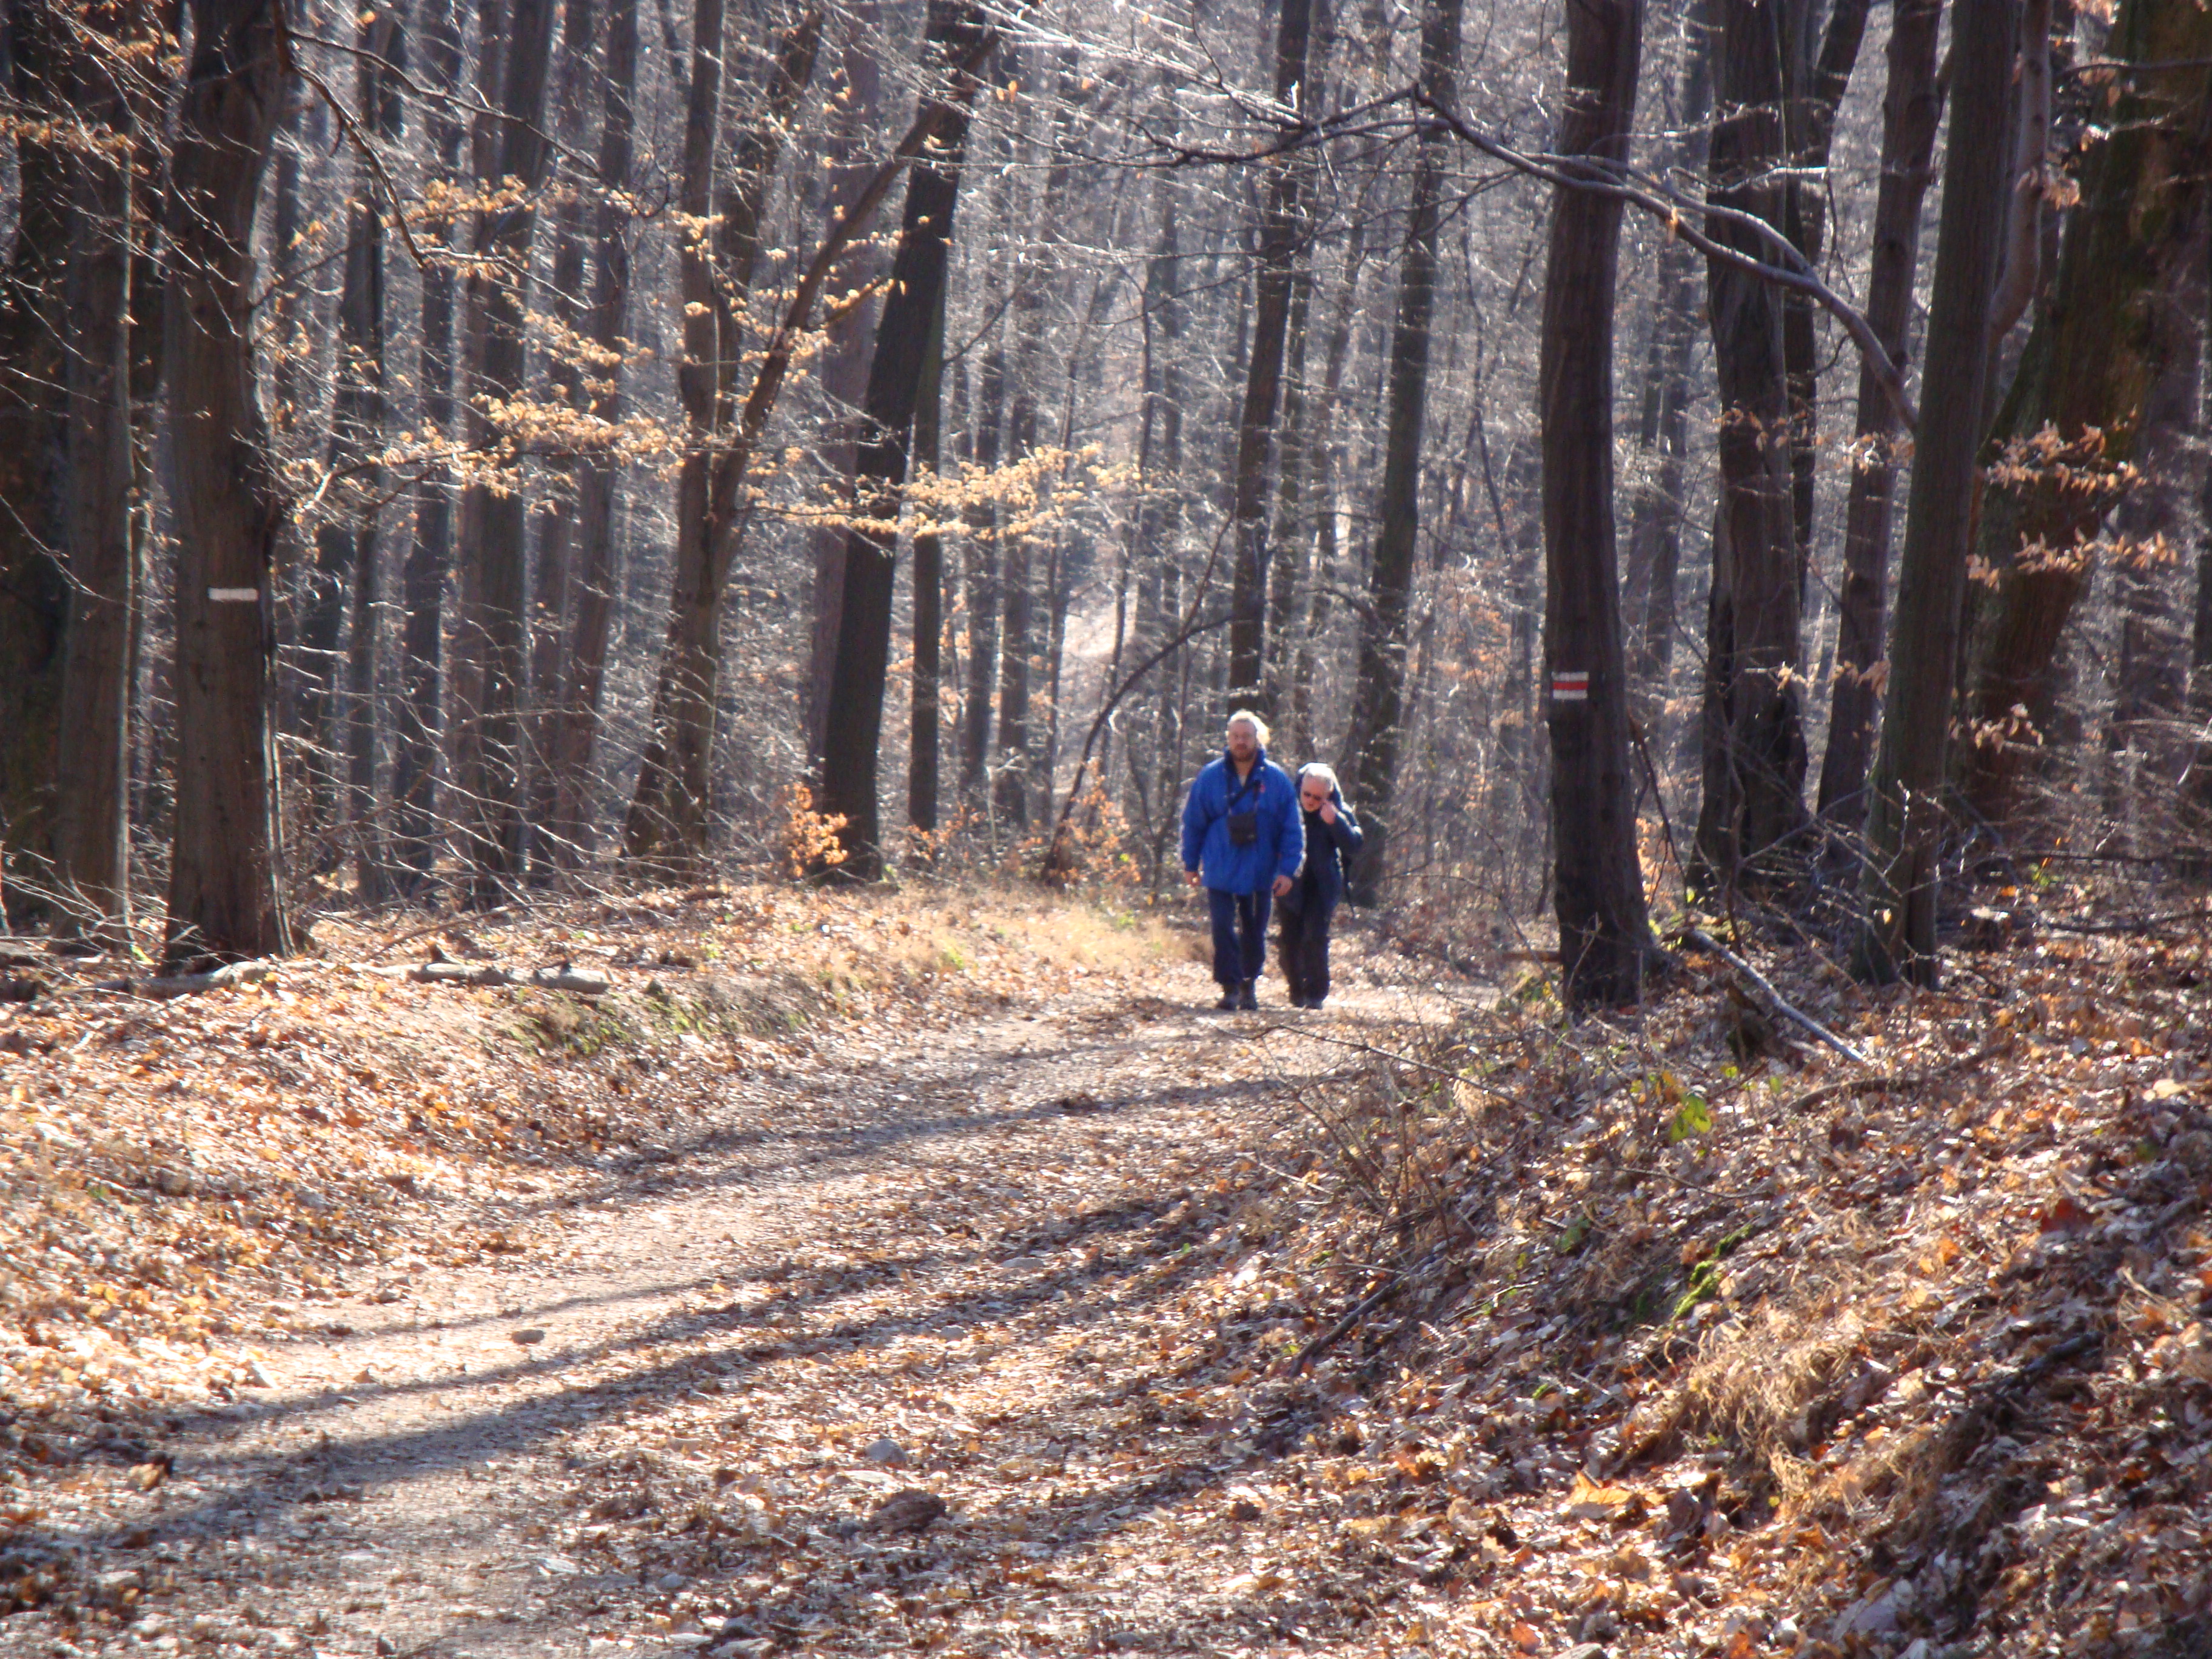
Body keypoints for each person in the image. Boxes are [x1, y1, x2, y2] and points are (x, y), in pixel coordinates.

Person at [1181, 710, 1304, 1011]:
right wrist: (1190, 863)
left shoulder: (1276, 779)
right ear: (1228, 739)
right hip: (1220, 867)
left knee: (1255, 931)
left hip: (1260, 870)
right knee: (1222, 928)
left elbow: (1291, 828)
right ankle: (1229, 989)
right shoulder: (1210, 777)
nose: (1240, 742)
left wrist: (1287, 870)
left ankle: (1249, 985)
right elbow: (1193, 822)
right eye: (1235, 736)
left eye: (1246, 736)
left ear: (1258, 739)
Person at [1276, 762, 1363, 1010]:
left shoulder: (1338, 811)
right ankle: (1296, 989)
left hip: (1323, 884)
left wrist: (1335, 822)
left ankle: (1316, 993)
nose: (1311, 801)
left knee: (1315, 936)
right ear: (1300, 788)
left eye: (1318, 797)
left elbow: (1355, 845)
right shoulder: (1286, 806)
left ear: (1328, 794)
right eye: (1307, 795)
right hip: (1291, 880)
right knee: (1290, 939)